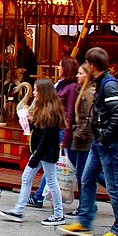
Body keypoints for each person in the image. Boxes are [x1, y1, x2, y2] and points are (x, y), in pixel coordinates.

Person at [60, 47, 118, 236]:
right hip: (99, 143)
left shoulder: (109, 86)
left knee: (114, 187)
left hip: (110, 144)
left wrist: (103, 137)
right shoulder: (101, 84)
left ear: (92, 65)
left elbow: (117, 117)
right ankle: (84, 222)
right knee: (86, 178)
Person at [0, 78, 66, 226]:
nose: (34, 93)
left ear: (43, 92)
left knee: (51, 180)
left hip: (45, 153)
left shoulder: (51, 113)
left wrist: (36, 156)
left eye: (36, 90)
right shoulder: (42, 109)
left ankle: (58, 213)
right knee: (27, 177)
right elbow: (37, 131)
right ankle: (19, 210)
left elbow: (46, 139)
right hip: (41, 152)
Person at [27, 56, 79, 208]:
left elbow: (68, 113)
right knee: (54, 166)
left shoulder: (70, 87)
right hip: (59, 128)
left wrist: (66, 135)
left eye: (60, 65)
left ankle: (41, 199)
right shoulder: (62, 84)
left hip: (62, 130)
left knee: (60, 166)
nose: (58, 67)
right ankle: (39, 197)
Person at [66, 62, 97, 217]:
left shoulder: (87, 94)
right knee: (84, 172)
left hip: (84, 137)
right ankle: (88, 204)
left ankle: (86, 206)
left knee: (83, 173)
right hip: (80, 135)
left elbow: (89, 118)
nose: (77, 76)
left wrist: (79, 133)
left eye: (81, 73)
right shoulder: (82, 91)